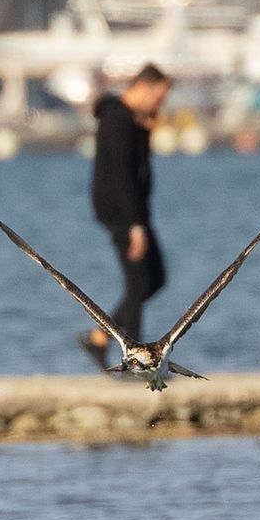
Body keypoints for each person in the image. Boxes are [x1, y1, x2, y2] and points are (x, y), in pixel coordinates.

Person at [78, 63, 172, 370]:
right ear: (144, 87)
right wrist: (135, 225)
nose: (161, 104)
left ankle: (98, 338)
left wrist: (145, 132)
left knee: (154, 279)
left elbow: (139, 169)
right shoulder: (117, 120)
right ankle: (136, 362)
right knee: (138, 282)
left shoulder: (132, 121)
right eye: (159, 97)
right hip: (121, 212)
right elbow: (122, 177)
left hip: (135, 213)